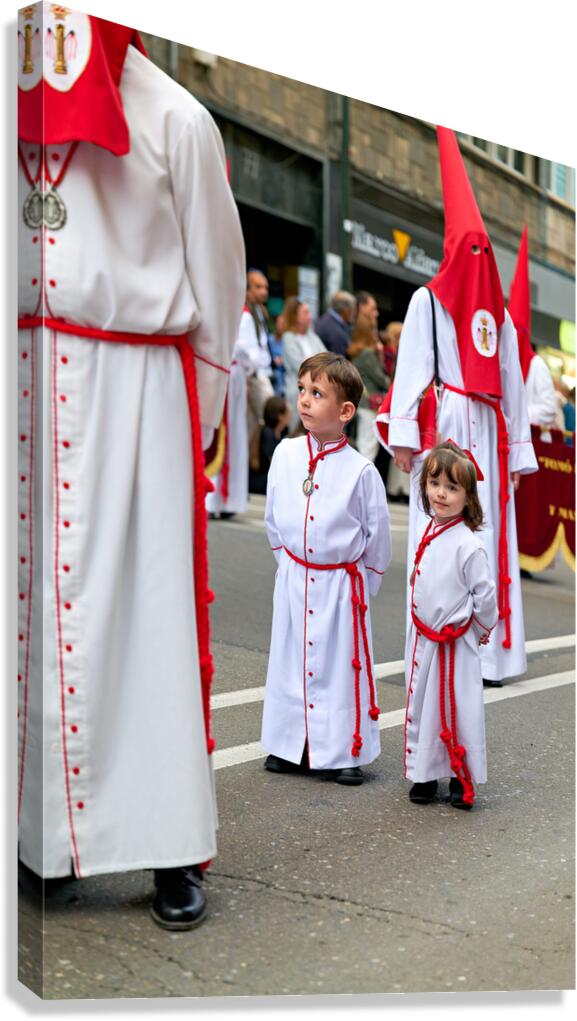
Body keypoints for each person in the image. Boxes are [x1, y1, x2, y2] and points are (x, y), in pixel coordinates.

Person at [17, 11, 245, 930]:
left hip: (135, 385)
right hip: (26, 377)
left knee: (145, 627)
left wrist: (196, 419)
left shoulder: (177, 119)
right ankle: (42, 837)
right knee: (28, 618)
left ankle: (167, 847)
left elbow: (217, 289)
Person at [376, 127, 537, 689]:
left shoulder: (500, 316)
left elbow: (511, 388)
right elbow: (411, 369)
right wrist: (403, 437)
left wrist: (515, 454)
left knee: (483, 535)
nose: (475, 258)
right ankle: (428, 637)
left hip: (488, 434)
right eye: (467, 247)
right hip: (445, 427)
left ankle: (489, 653)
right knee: (436, 532)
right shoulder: (427, 300)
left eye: (482, 249)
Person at [261, 352, 392, 785]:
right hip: (296, 575)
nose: (304, 400)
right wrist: (292, 565)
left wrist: (356, 588)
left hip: (340, 585)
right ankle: (288, 744)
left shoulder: (361, 471)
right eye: (301, 390)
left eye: (317, 393)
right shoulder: (285, 453)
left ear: (345, 411)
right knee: (290, 661)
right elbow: (273, 518)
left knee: (338, 669)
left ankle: (342, 750)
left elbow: (378, 541)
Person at [405, 443, 498, 810]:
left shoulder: (468, 545)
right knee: (425, 706)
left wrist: (473, 630)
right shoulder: (428, 531)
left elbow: (485, 596)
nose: (441, 493)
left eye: (452, 487)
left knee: (460, 708)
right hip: (426, 640)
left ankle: (461, 775)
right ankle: (424, 774)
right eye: (434, 483)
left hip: (456, 643)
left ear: (468, 497)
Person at [508, 226, 557, 442]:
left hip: (533, 441)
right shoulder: (505, 361)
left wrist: (520, 415)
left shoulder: (537, 366)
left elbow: (549, 408)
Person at [206, 335, 251, 519]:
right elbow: (247, 354)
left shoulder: (246, 315)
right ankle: (211, 499)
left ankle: (222, 500)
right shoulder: (246, 315)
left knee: (231, 439)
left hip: (226, 374)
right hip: (222, 372)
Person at [237, 269, 275, 432]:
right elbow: (243, 347)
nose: (263, 291)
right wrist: (251, 371)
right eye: (258, 287)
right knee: (275, 416)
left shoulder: (260, 311)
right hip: (253, 376)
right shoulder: (243, 312)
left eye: (265, 287)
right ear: (247, 289)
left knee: (252, 428)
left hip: (262, 372)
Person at [282, 296, 326, 426]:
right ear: (295, 316)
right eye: (305, 312)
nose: (310, 316)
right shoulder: (288, 338)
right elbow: (299, 366)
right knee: (297, 431)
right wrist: (314, 361)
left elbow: (327, 358)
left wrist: (309, 360)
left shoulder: (313, 337)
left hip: (317, 390)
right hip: (297, 391)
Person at [348, 319, 388, 461]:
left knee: (364, 443)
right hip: (370, 404)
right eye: (373, 329)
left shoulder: (357, 352)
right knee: (368, 447)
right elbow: (381, 379)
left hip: (363, 402)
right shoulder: (367, 354)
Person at [248, 395, 291, 494]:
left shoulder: (282, 432)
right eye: (288, 411)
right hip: (259, 481)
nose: (291, 413)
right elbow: (274, 464)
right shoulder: (267, 434)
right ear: (280, 416)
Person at [315, 290, 357, 357]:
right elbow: (340, 362)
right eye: (353, 309)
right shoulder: (335, 331)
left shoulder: (326, 319)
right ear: (346, 310)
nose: (354, 313)